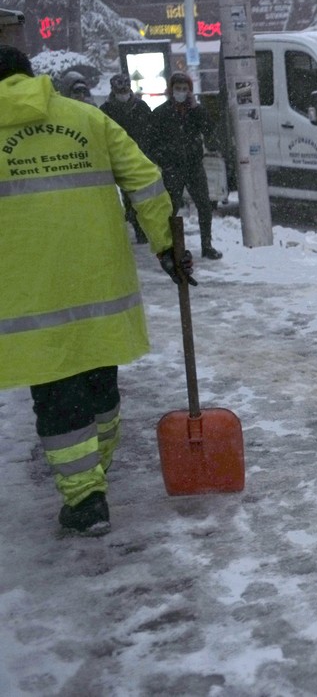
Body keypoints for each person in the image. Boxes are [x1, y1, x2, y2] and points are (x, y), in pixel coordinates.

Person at [0, 44, 195, 536]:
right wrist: (167, 246)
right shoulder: (87, 119)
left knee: (57, 393)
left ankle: (86, 499)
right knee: (99, 386)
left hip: (27, 292)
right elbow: (146, 180)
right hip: (98, 280)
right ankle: (95, 469)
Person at [146, 71, 222, 260]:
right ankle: (172, 247)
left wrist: (197, 109)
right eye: (178, 89)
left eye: (185, 89)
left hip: (194, 165)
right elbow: (152, 142)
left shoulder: (195, 112)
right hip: (173, 167)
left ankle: (207, 245)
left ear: (190, 91)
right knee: (171, 207)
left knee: (204, 205)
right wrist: (164, 159)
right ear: (171, 90)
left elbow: (208, 130)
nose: (181, 92)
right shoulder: (162, 113)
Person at [101, 73, 153, 244]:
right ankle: (139, 229)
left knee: (143, 195)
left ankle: (141, 226)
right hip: (120, 159)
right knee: (130, 195)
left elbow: (152, 130)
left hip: (141, 156)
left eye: (125, 88)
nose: (123, 92)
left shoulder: (141, 107)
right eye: (119, 89)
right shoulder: (106, 110)